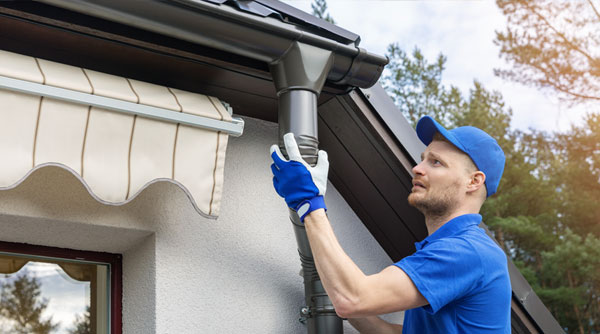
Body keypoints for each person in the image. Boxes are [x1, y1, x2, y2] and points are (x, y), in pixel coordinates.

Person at [270, 115, 511, 333]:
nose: (417, 168)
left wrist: (309, 202)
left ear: (473, 182)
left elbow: (353, 298)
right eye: (422, 159)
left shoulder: (466, 252)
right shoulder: (449, 249)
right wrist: (329, 277)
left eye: (436, 162)